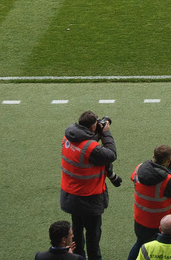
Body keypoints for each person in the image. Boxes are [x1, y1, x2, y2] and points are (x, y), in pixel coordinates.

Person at [59, 111, 117, 260]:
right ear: (92, 126)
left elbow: (83, 147)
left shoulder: (68, 137)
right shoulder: (91, 148)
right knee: (93, 234)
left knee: (76, 231)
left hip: (70, 196)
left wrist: (95, 134)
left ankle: (78, 257)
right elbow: (110, 155)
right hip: (89, 198)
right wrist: (106, 133)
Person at [129, 145, 171, 260]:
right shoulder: (167, 181)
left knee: (140, 245)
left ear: (153, 156)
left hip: (140, 220)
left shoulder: (139, 168)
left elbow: (140, 178)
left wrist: (166, 168)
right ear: (169, 160)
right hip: (160, 224)